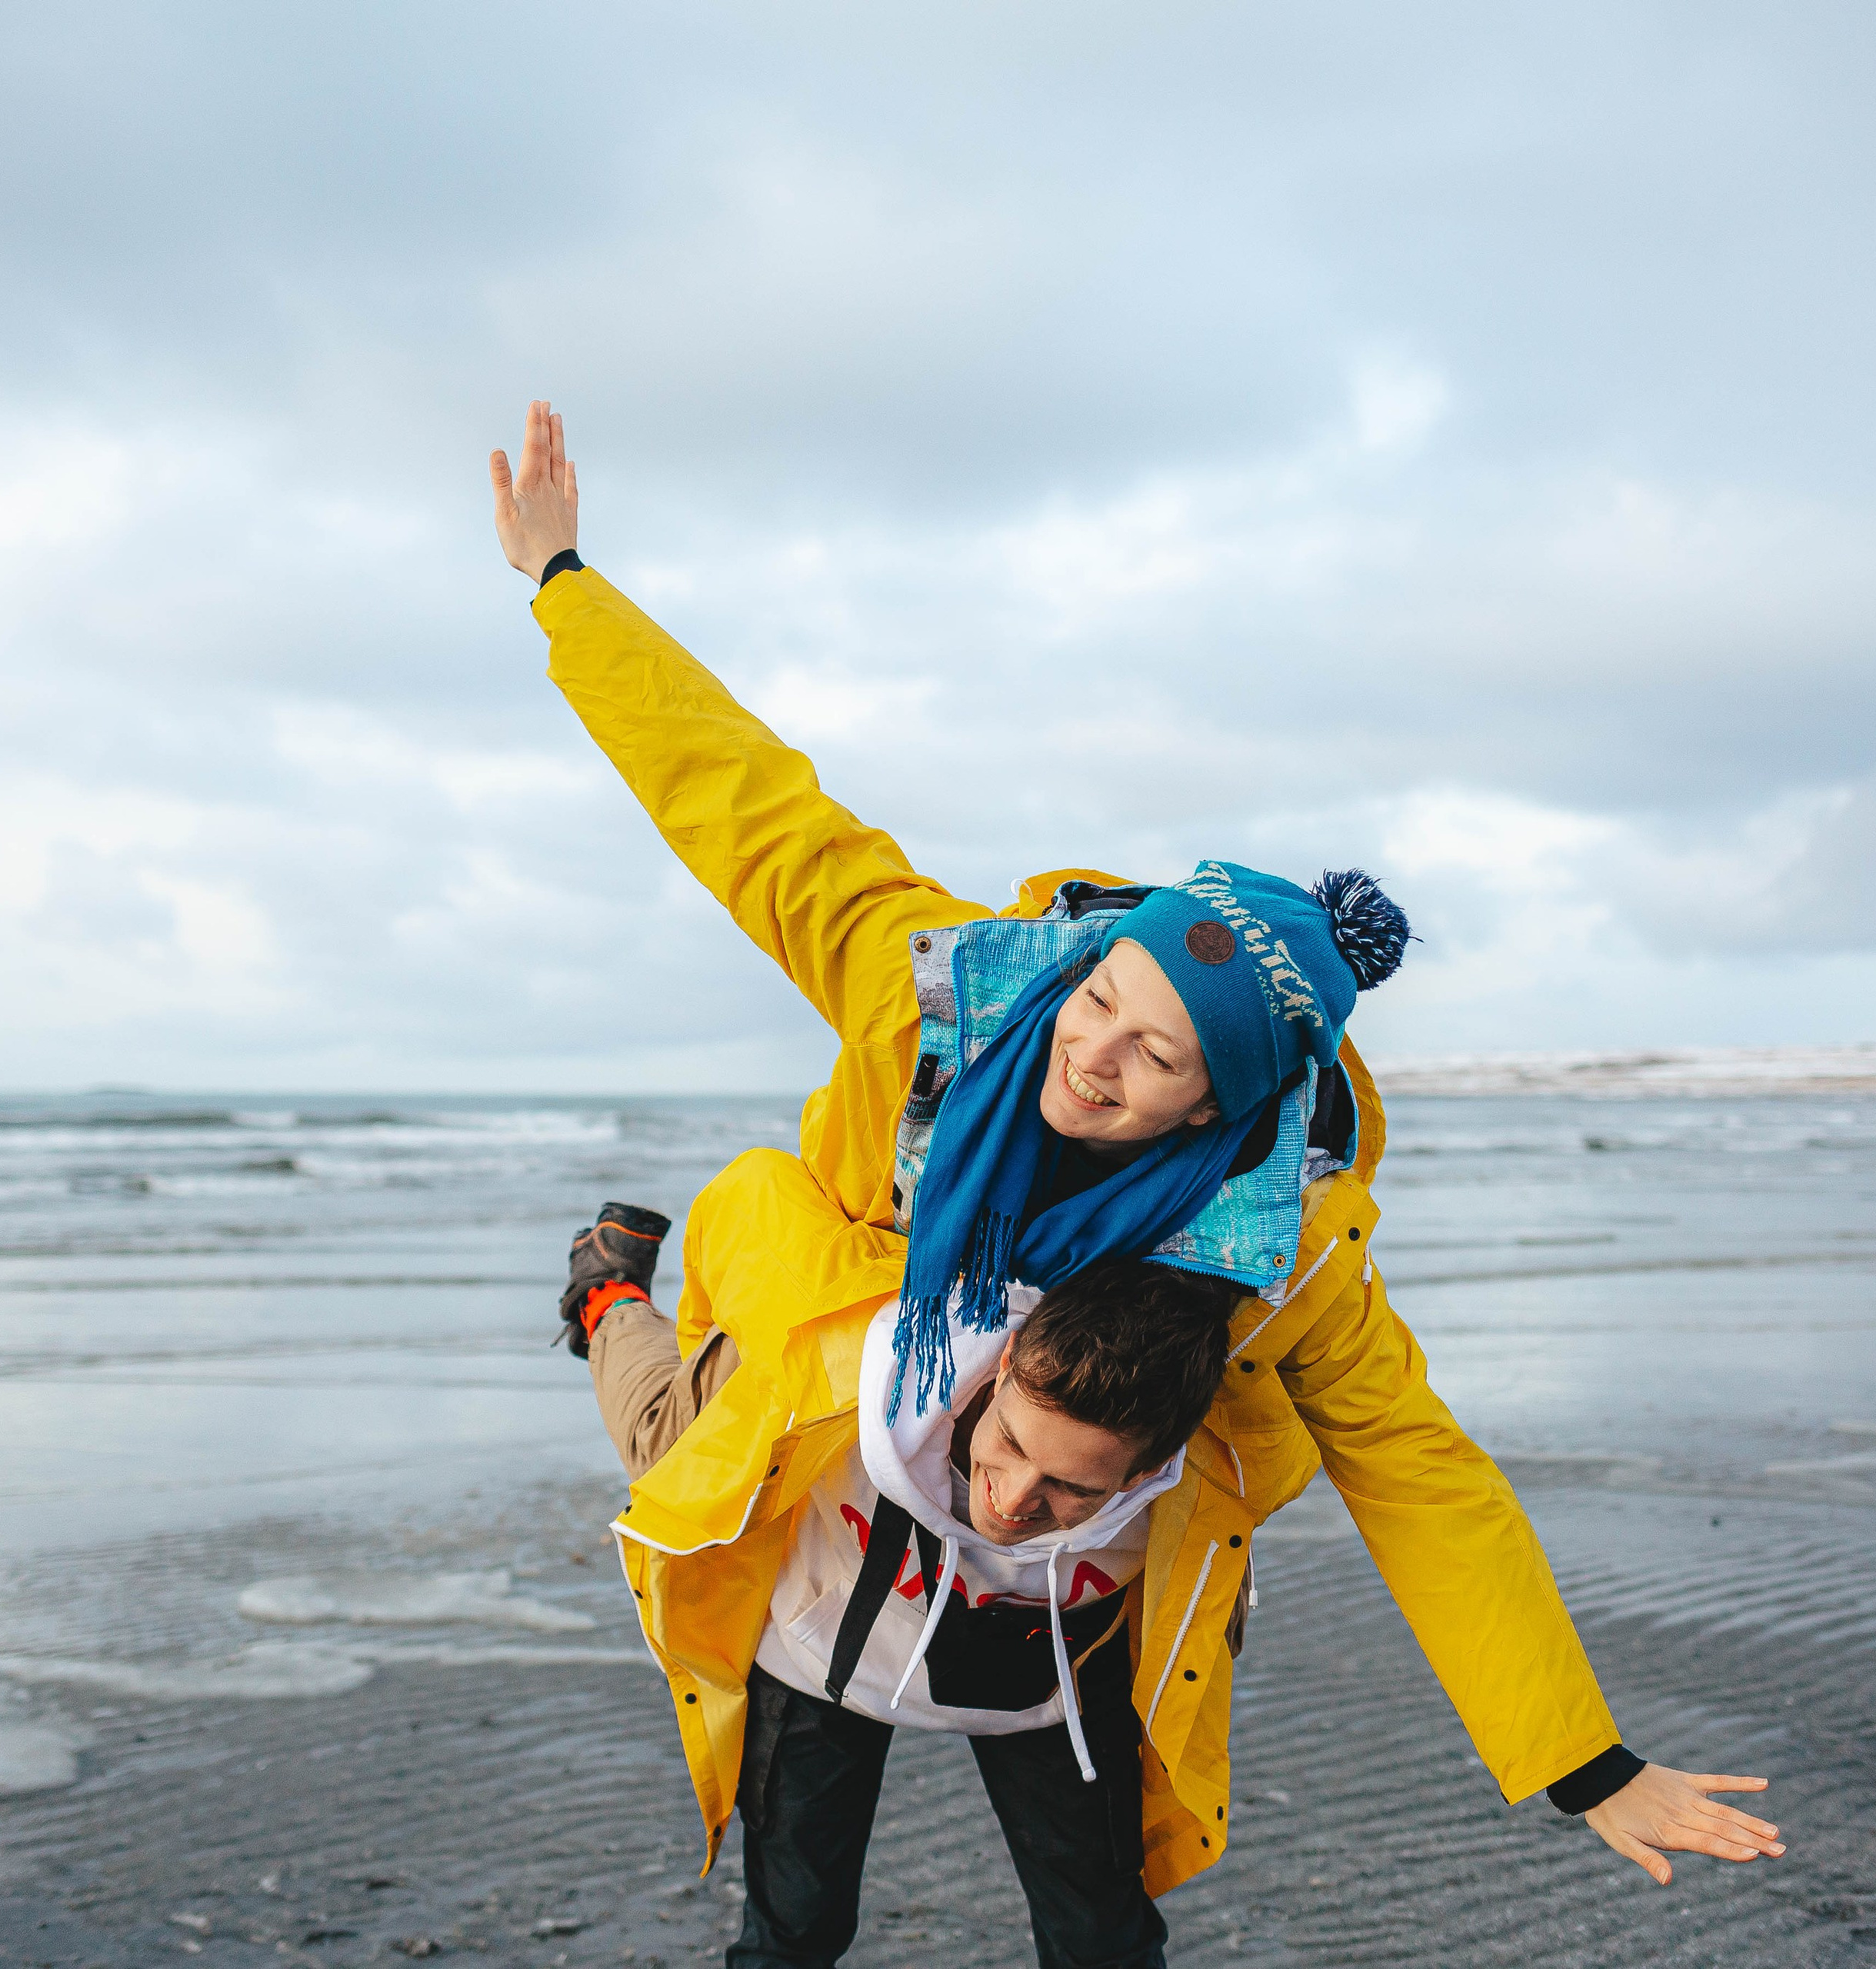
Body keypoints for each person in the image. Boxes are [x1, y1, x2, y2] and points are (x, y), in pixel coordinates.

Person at [489, 400, 1785, 1915]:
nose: (1087, 1053)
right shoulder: (942, 1001)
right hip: (829, 1423)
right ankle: (605, 1294)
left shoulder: (1281, 1247)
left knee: (1102, 1921)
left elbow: (1420, 1471)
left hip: (1057, 1581)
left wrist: (1584, 1758)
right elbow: (744, 805)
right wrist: (564, 584)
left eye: (1152, 1055)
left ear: (1214, 1109)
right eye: (1102, 996)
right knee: (683, 1483)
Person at [567, 1174, 1238, 1967]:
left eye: (1072, 1487)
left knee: (1104, 1944)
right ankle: (607, 1294)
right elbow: (761, 1187)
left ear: (1151, 1470)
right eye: (1012, 1443)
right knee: (794, 1933)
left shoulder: (1210, 1482)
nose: (1012, 1500)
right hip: (821, 1650)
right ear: (1006, 1363)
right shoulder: (850, 1366)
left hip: (1047, 1682)